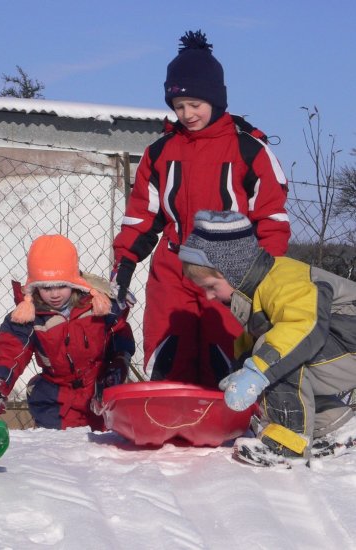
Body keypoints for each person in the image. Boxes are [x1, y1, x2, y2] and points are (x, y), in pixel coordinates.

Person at [113, 29, 290, 387]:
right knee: (168, 354)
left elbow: (272, 218)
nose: (187, 114)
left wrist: (261, 272)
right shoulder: (160, 152)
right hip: (172, 268)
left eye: (195, 104)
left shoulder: (248, 150)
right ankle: (166, 422)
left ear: (216, 99)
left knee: (224, 355)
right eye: (179, 107)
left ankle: (225, 425)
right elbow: (142, 216)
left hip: (228, 272)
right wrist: (126, 262)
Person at [178, 209, 356, 466]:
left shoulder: (283, 281)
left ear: (232, 272)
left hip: (348, 338)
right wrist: (241, 367)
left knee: (276, 355)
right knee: (266, 356)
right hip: (342, 343)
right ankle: (337, 426)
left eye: (210, 287)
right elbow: (255, 344)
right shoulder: (260, 290)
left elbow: (301, 328)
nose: (208, 297)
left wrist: (256, 370)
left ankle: (287, 444)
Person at [0, 235, 135, 431]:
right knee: (58, 454)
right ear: (35, 286)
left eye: (61, 285)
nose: (55, 294)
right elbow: (10, 352)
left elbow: (118, 330)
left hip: (99, 393)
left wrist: (120, 360)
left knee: (104, 453)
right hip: (55, 402)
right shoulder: (30, 317)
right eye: (46, 287)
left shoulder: (95, 305)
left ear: (74, 282)